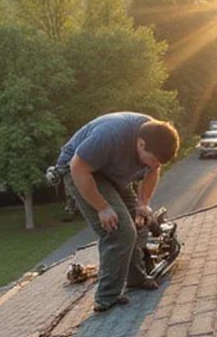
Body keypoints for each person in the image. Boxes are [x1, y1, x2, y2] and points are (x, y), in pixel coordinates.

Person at [56, 112, 180, 312]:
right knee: (120, 230)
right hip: (81, 171)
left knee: (140, 222)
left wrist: (143, 203)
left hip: (110, 172)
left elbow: (153, 171)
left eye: (160, 163)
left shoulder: (154, 138)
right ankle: (107, 296)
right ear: (140, 144)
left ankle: (135, 278)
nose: (155, 166)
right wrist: (102, 208)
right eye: (152, 159)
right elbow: (77, 167)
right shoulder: (111, 135)